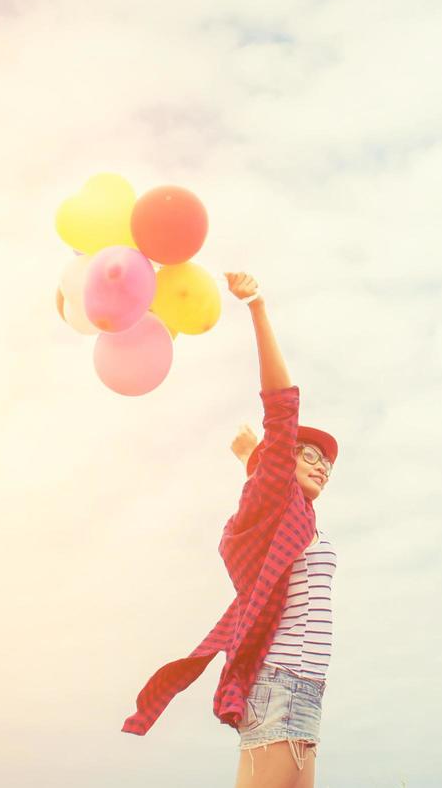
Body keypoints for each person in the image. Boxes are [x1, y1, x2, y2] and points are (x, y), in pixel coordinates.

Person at [122, 271, 340, 788]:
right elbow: (282, 404)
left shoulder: (296, 518)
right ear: (282, 461)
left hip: (305, 689)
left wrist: (252, 461)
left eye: (328, 464)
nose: (321, 465)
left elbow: (271, 515)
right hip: (282, 686)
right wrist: (259, 306)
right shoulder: (280, 499)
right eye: (307, 455)